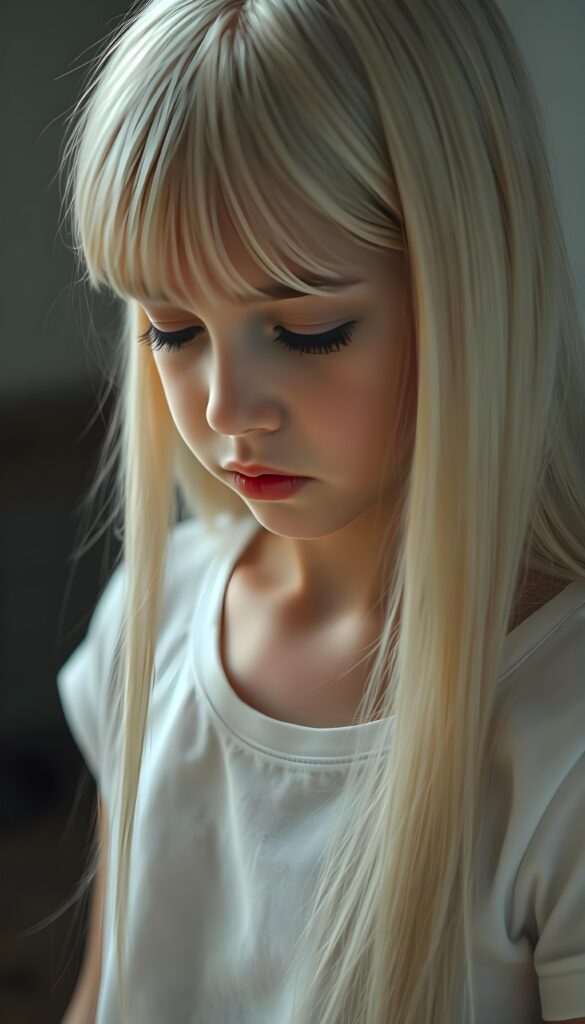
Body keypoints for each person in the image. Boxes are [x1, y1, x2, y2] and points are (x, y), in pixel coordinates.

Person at [55, 1, 585, 1022]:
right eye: (171, 330)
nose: (225, 411)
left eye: (308, 330)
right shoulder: (151, 626)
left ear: (472, 280)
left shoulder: (558, 743)